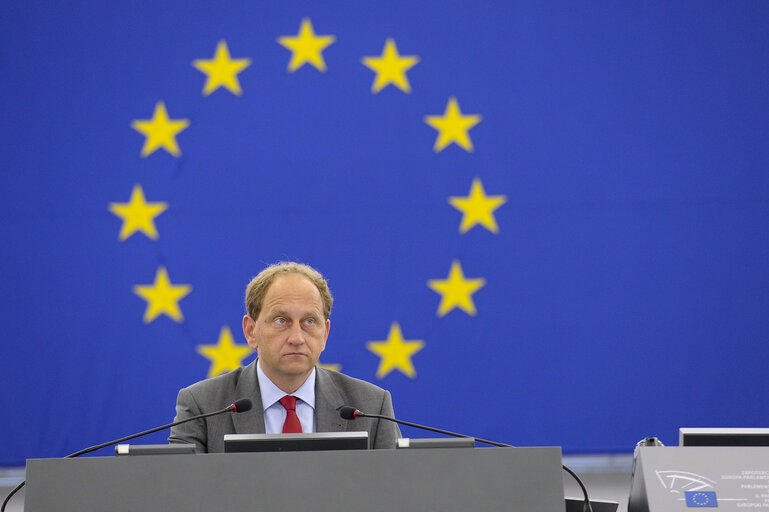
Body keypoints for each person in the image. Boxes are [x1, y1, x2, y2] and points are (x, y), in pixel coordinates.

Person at [169, 262, 401, 451]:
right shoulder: (203, 406)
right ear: (251, 331)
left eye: (309, 322)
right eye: (282, 321)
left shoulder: (370, 407)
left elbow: (394, 495)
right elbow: (181, 496)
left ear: (325, 334)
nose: (297, 337)